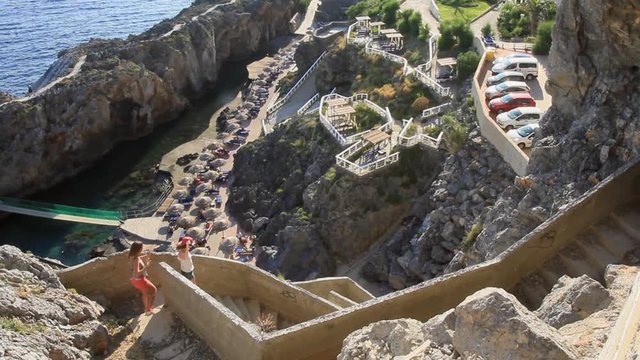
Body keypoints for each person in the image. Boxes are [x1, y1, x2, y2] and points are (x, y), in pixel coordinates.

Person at [128, 242, 158, 314]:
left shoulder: (132, 256)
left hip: (134, 280)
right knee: (154, 291)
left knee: (145, 293)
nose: (142, 249)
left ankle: (147, 308)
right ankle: (148, 309)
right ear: (138, 249)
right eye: (141, 248)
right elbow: (137, 272)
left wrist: (148, 255)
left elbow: (140, 258)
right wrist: (146, 266)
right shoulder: (136, 259)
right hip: (140, 280)